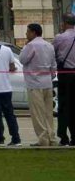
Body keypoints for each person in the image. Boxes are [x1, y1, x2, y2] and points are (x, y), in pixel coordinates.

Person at [20, 22, 56, 148]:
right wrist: (50, 77)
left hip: (34, 83)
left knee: (38, 113)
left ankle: (43, 139)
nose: (26, 34)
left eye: (28, 31)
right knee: (48, 112)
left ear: (33, 33)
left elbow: (22, 60)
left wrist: (25, 47)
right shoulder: (49, 45)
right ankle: (51, 137)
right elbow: (53, 65)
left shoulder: (31, 46)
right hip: (47, 82)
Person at [56, 10, 75, 146]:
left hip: (65, 74)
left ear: (65, 23)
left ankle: (63, 136)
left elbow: (52, 52)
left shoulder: (60, 38)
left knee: (63, 106)